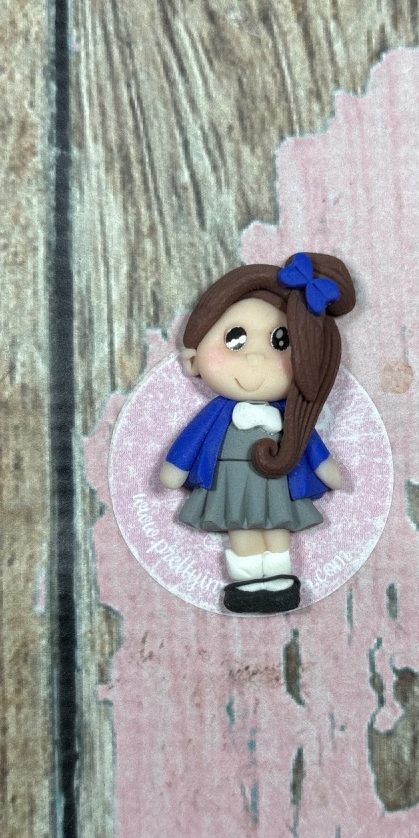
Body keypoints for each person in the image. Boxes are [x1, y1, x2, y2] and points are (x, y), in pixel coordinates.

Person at [160, 252, 356, 613]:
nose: (255, 359)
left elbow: (309, 445)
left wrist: (328, 468)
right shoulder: (218, 412)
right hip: (230, 482)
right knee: (242, 529)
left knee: (277, 527)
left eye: (280, 342)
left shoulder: (291, 416)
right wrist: (174, 470)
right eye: (236, 339)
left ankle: (280, 578)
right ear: (193, 358)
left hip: (275, 483)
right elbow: (190, 442)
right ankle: (248, 582)